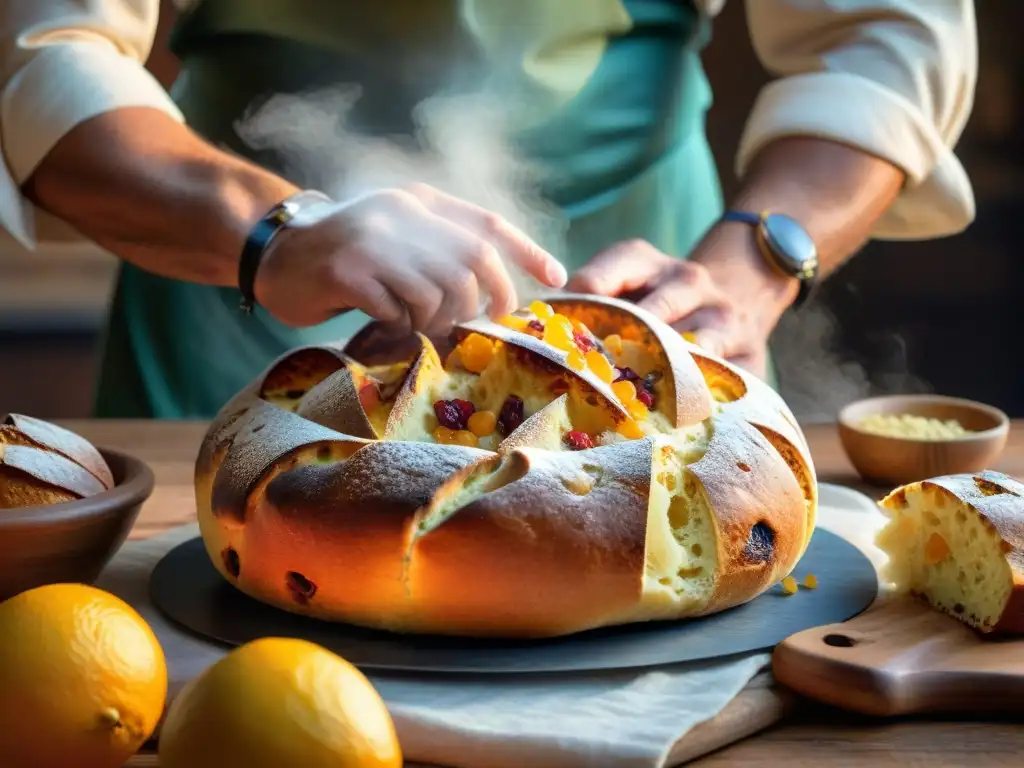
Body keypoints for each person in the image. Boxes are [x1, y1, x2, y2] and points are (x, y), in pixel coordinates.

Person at [0, 1, 977, 419]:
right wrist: (271, 230)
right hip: (234, 282)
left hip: (647, 271)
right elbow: (42, 56)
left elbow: (881, 31)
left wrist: (754, 265)